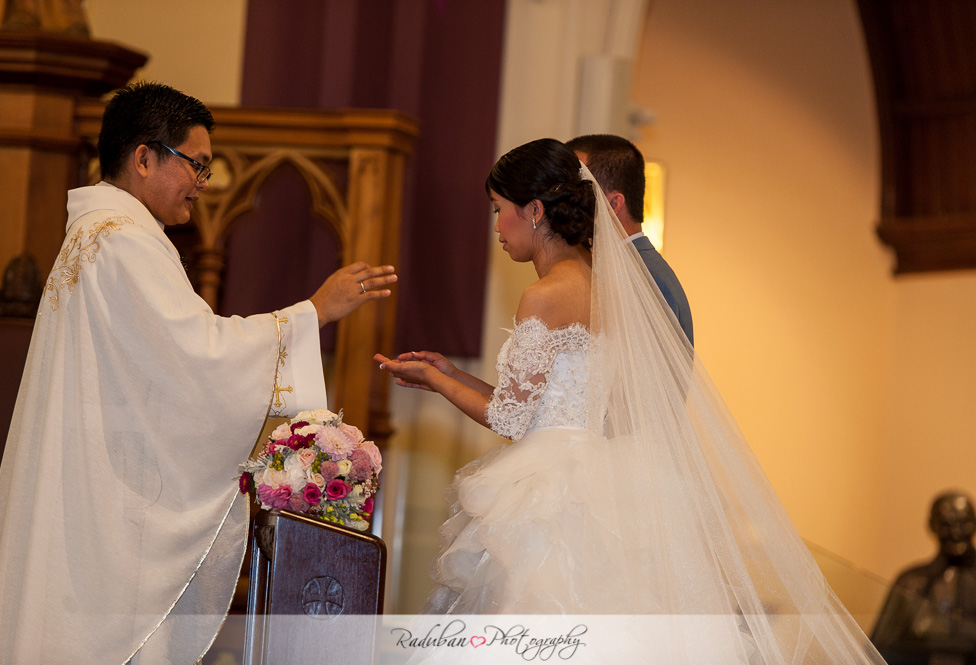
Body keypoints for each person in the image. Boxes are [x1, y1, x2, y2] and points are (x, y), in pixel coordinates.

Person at [376, 138, 887, 663]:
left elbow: (510, 417)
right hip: (599, 470)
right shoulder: (605, 287)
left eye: (498, 211)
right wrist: (450, 371)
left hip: (553, 486)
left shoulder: (545, 295)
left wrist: (437, 385)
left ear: (533, 211)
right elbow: (546, 403)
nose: (496, 228)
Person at [0, 82, 396, 665]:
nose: (203, 182)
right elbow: (198, 356)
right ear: (144, 157)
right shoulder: (124, 242)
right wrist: (313, 313)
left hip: (100, 481)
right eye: (195, 164)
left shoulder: (99, 234)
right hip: (113, 501)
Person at [566, 133, 694, 346]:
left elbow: (649, 376)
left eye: (575, 190)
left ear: (614, 204)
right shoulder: (619, 266)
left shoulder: (649, 279)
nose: (562, 203)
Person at [871, 491, 976, 664]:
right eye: (946, 524)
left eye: (963, 523)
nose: (955, 532)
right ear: (932, 525)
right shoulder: (911, 580)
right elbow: (880, 645)